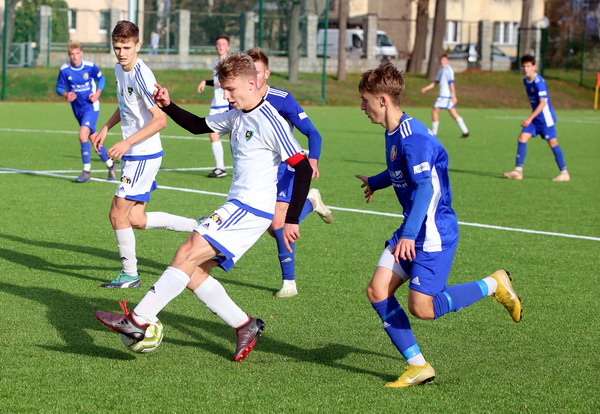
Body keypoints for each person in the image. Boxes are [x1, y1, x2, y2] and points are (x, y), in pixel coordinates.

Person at [94, 52, 313, 361]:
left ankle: (139, 319)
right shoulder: (236, 115)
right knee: (193, 272)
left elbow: (302, 167)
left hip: (250, 208)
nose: (226, 96)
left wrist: (292, 219)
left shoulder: (270, 120)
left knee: (186, 253)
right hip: (240, 205)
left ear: (251, 84)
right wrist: (168, 105)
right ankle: (245, 324)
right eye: (223, 90)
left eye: (230, 89)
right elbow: (198, 125)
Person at [355, 63, 522, 388]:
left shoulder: (414, 138)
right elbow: (402, 170)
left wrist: (408, 235)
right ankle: (418, 366)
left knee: (424, 308)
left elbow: (426, 188)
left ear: (383, 100)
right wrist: (376, 181)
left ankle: (494, 284)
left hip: (432, 232)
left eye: (365, 100)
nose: (362, 107)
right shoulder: (395, 132)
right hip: (413, 227)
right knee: (377, 291)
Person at [90, 21, 199, 289]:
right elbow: (126, 105)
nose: (121, 53)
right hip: (137, 153)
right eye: (117, 47)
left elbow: (160, 120)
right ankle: (200, 226)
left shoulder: (142, 75)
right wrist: (105, 127)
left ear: (138, 45)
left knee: (117, 214)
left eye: (127, 47)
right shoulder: (119, 69)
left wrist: (126, 143)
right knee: (136, 219)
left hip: (143, 154)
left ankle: (130, 274)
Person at [246, 47, 333, 298]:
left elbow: (313, 132)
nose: (252, 77)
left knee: (278, 223)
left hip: (286, 166)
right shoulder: (241, 99)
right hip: (260, 170)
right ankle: (310, 202)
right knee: (269, 225)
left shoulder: (282, 99)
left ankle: (289, 283)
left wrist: (312, 160)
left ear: (267, 73)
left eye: (257, 72)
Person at [55, 40, 116, 182]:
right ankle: (111, 165)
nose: (75, 56)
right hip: (77, 109)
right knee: (94, 139)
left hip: (91, 107)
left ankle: (86, 171)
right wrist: (65, 94)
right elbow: (59, 87)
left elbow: (102, 79)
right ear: (69, 55)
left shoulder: (90, 67)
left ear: (81, 53)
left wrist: (97, 94)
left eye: (77, 53)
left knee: (83, 135)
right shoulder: (64, 70)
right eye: (72, 54)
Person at [503, 55, 569, 182]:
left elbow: (543, 103)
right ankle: (518, 171)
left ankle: (564, 172)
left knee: (553, 143)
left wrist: (529, 118)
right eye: (523, 66)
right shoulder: (525, 81)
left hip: (545, 119)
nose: (526, 69)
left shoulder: (539, 82)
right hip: (535, 118)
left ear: (534, 67)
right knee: (522, 138)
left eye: (528, 66)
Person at [197, 35, 231, 178]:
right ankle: (220, 168)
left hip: (228, 103)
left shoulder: (230, 62)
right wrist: (206, 81)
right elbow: (217, 81)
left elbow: (229, 80)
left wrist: (212, 82)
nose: (221, 46)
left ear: (228, 47)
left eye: (223, 44)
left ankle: (243, 167)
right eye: (218, 44)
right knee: (212, 133)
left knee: (234, 136)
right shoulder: (216, 62)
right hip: (216, 104)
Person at [420, 54, 469, 138]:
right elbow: (436, 82)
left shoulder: (448, 70)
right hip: (446, 96)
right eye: (441, 60)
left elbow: (451, 83)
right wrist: (426, 88)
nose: (442, 62)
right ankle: (465, 131)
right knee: (453, 113)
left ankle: (434, 133)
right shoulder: (441, 70)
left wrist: (454, 96)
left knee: (434, 111)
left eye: (444, 60)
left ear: (447, 61)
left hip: (445, 96)